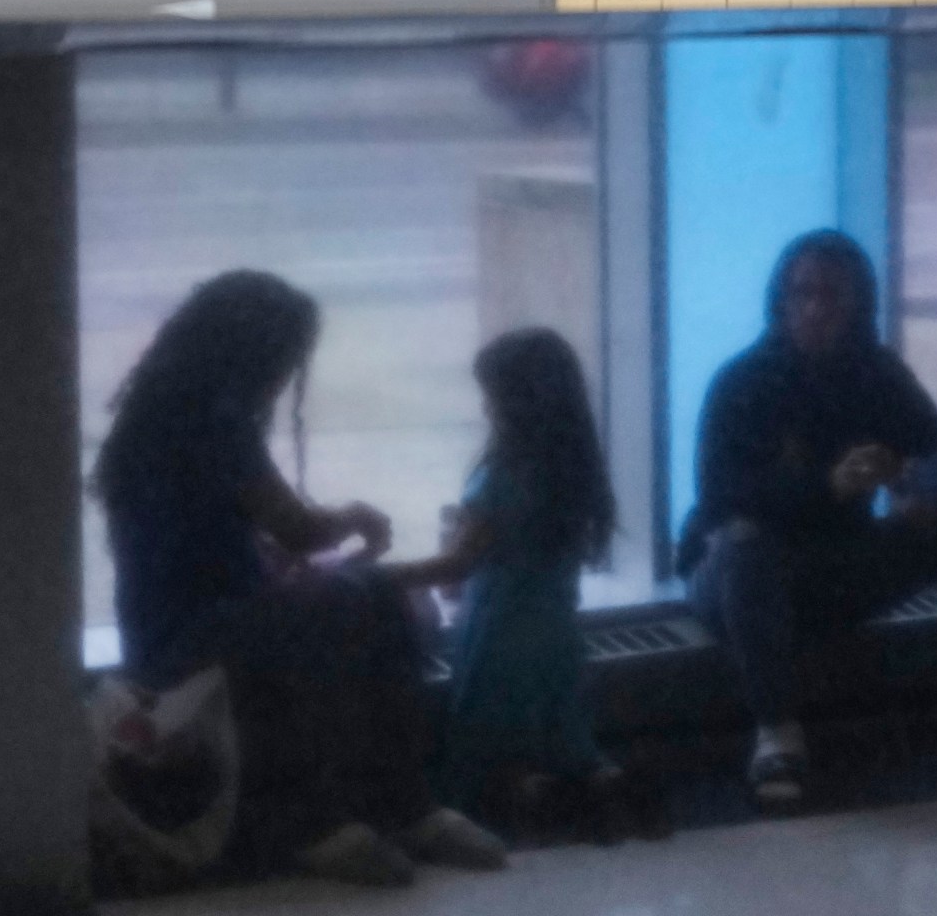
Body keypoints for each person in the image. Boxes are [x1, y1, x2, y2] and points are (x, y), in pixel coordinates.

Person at [95, 270, 506, 887]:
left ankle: (390, 809)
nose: (287, 378)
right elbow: (298, 529)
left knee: (357, 595)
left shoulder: (155, 418)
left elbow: (217, 537)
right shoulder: (217, 422)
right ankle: (352, 814)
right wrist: (356, 521)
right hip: (194, 640)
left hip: (175, 631)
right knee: (354, 598)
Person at [679, 231, 937, 813]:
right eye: (802, 294)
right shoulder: (743, 382)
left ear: (858, 306)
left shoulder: (873, 373)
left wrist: (922, 491)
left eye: (832, 296)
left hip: (837, 562)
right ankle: (776, 735)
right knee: (750, 543)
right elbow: (719, 500)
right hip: (735, 577)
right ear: (781, 300)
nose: (815, 310)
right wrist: (827, 485)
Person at [388, 329, 649, 841]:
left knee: (491, 748)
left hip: (499, 637)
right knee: (565, 739)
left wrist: (375, 577)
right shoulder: (573, 474)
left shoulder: (500, 478)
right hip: (558, 635)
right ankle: (605, 784)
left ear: (513, 403)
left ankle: (527, 796)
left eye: (491, 396)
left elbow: (456, 566)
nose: (486, 409)